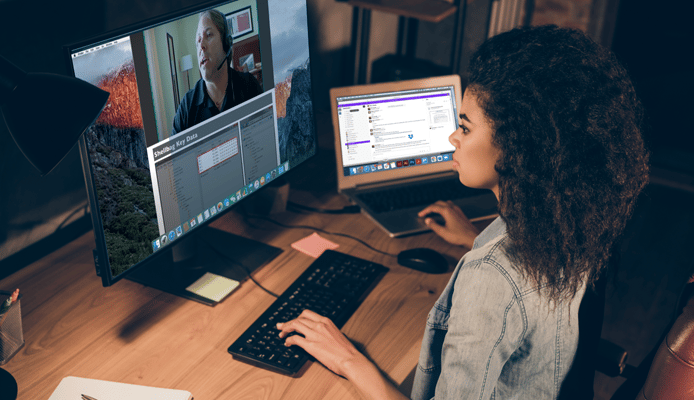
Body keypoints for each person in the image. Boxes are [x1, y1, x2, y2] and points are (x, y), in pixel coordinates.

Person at [276, 25, 649, 400]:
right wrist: (475, 238)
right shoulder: (567, 226)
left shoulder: (491, 277)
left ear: (518, 147)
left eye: (465, 127)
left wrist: (348, 360)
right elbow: (526, 297)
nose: (453, 138)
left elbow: (503, 287)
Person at [172, 9, 262, 135]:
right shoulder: (187, 107)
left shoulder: (249, 86)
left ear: (226, 44)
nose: (201, 45)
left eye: (208, 35)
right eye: (198, 41)